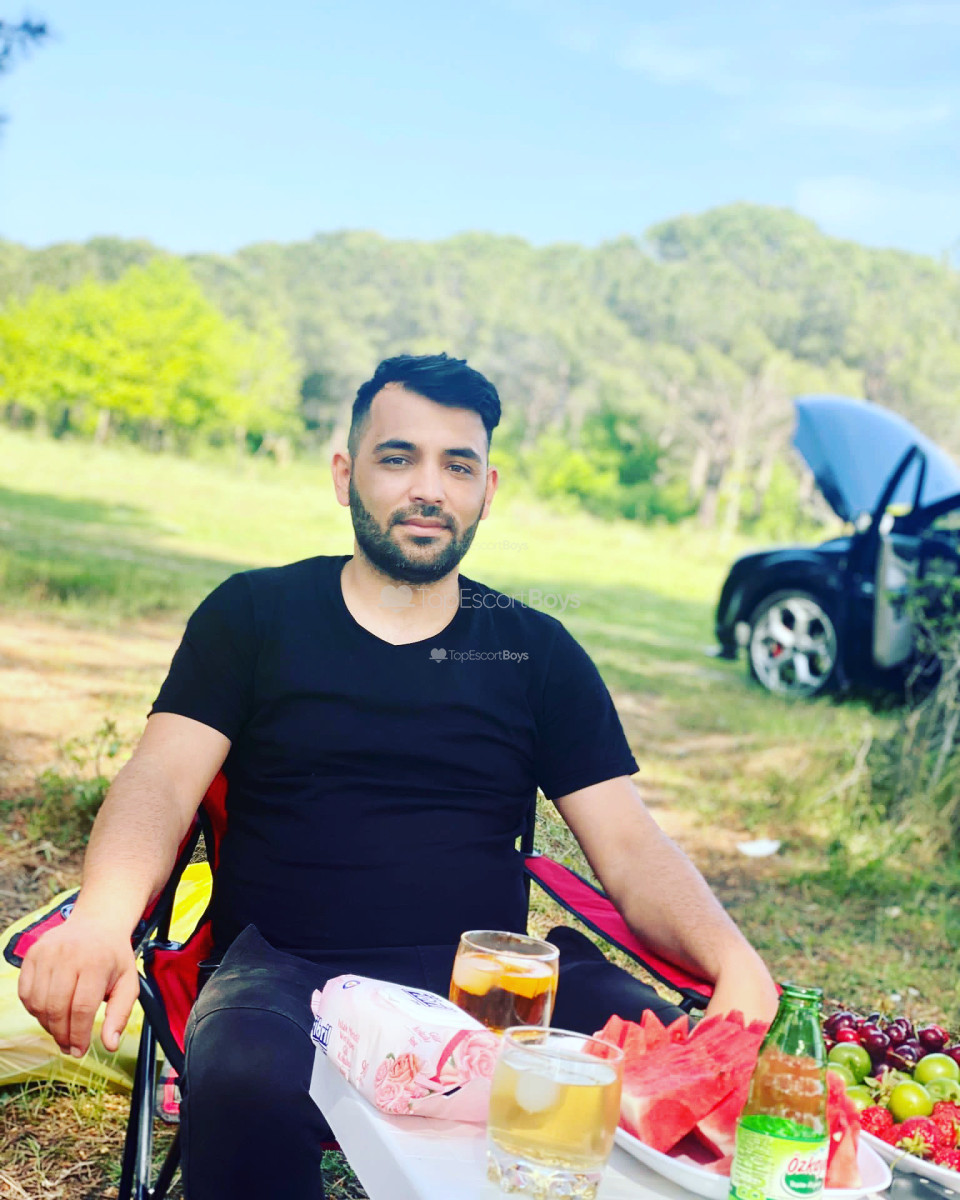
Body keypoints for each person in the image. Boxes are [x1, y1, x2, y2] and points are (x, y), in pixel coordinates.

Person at [18, 353, 778, 1198]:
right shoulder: (253, 616)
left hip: (488, 991)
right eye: (398, 457)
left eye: (457, 466)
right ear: (345, 475)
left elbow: (630, 845)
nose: (429, 488)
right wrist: (101, 920)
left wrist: (734, 961)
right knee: (240, 1078)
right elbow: (160, 781)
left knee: (697, 1071)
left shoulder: (534, 651)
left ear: (487, 490)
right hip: (285, 975)